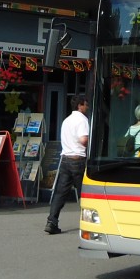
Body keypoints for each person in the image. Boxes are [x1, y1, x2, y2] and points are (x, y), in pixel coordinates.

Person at [46, 95, 90, 235]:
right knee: (85, 193)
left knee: (60, 193)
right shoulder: (82, 120)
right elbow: (83, 140)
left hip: (65, 159)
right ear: (80, 106)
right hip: (78, 159)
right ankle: (89, 223)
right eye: (86, 104)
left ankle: (51, 222)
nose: (87, 107)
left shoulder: (66, 120)